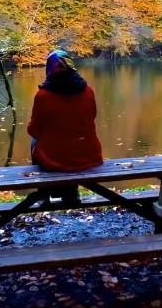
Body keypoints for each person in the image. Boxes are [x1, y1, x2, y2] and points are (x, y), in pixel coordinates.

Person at [27, 50, 104, 204]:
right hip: (88, 155)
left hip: (53, 160)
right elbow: (92, 116)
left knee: (35, 142)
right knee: (71, 143)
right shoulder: (88, 90)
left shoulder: (43, 96)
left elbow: (33, 130)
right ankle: (72, 193)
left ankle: (44, 193)